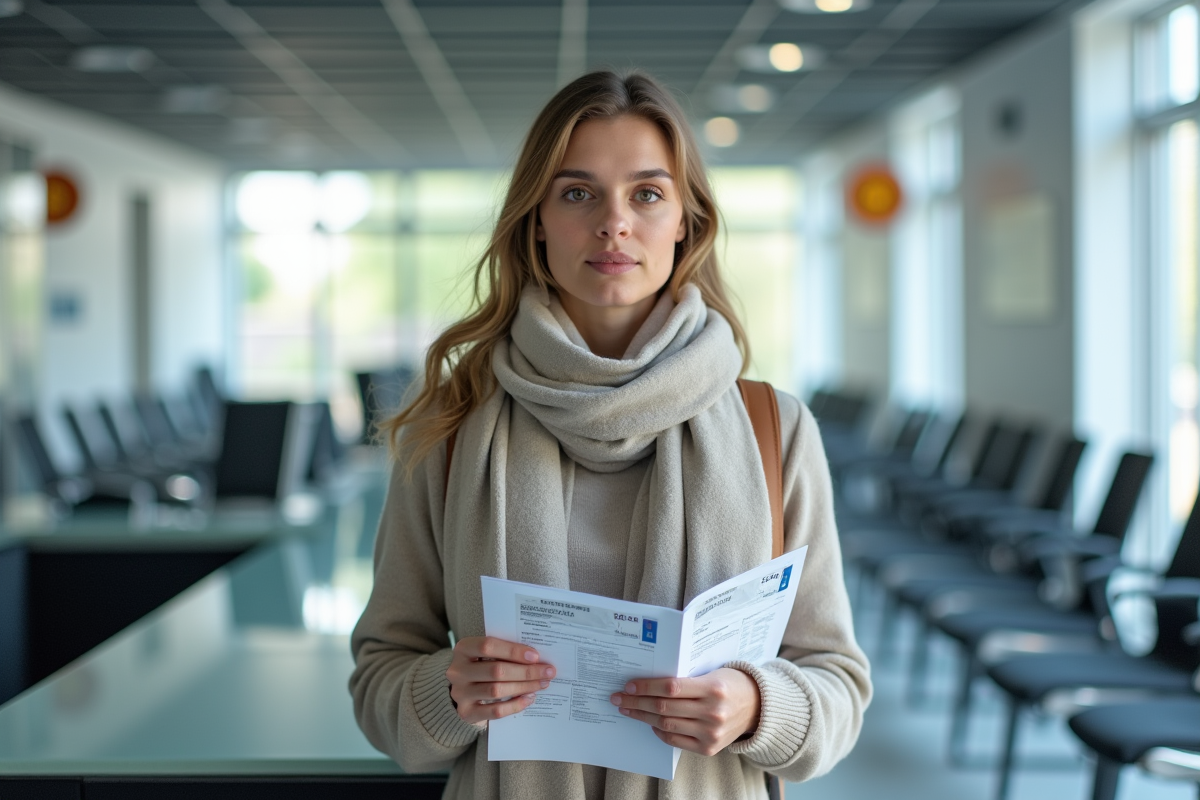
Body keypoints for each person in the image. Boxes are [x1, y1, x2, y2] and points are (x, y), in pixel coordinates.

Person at [350, 70, 871, 800]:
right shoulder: (450, 423)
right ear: (536, 218)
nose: (613, 223)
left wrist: (758, 705)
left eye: (648, 194)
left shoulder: (773, 427)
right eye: (577, 192)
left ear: (687, 220)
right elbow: (380, 674)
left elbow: (838, 683)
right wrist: (447, 691)